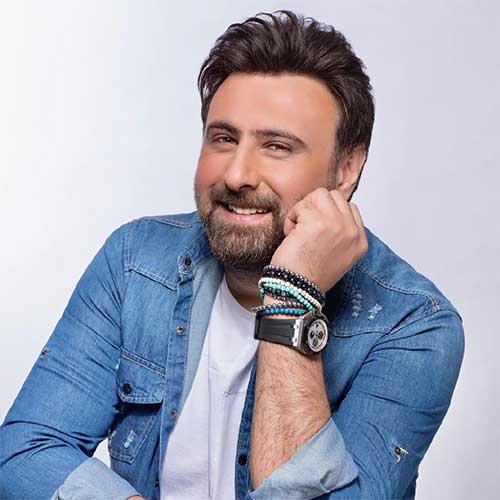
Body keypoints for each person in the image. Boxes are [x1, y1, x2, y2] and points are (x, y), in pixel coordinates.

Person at [0, 10, 464, 500]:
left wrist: (292, 296)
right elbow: (26, 452)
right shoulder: (135, 262)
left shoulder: (413, 326)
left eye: (277, 146)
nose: (238, 174)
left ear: (346, 168)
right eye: (223, 138)